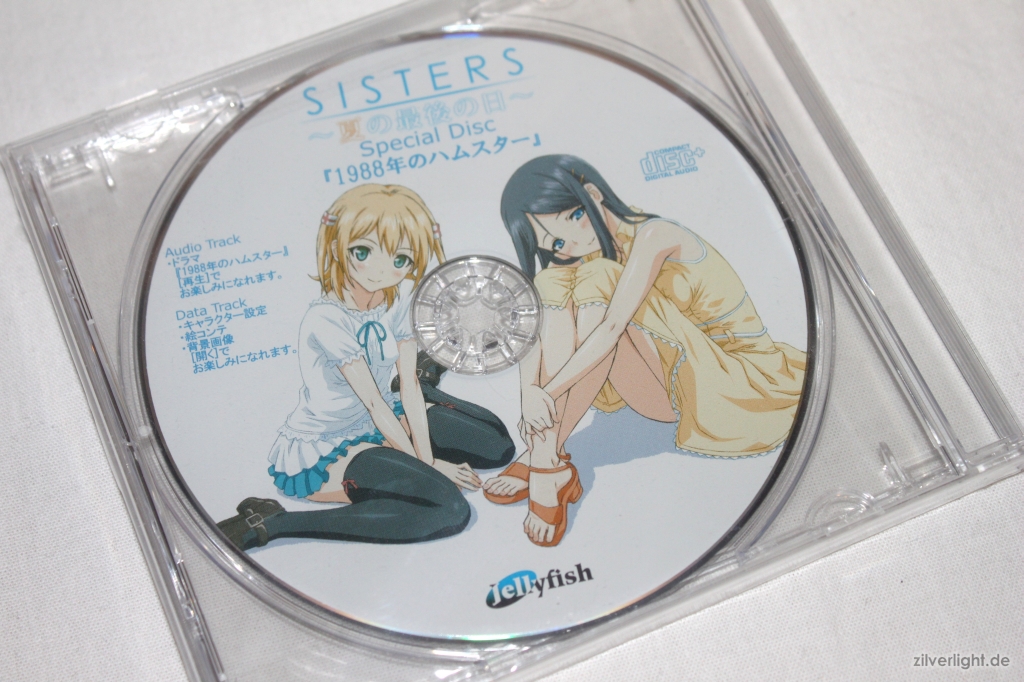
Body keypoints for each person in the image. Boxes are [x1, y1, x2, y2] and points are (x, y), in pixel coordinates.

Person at [483, 155, 807, 547]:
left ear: (593, 194)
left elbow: (612, 328)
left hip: (732, 384)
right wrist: (528, 394)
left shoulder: (656, 234)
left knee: (600, 277)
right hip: (666, 383)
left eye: (573, 217)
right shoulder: (586, 255)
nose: (571, 243)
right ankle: (546, 458)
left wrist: (547, 394)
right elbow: (537, 322)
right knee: (551, 280)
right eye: (555, 242)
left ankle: (544, 460)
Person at [218, 184, 514, 550]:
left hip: (387, 412)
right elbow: (371, 403)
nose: (382, 271)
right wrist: (432, 466)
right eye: (363, 252)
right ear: (336, 247)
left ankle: (430, 389)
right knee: (447, 508)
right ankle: (273, 522)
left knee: (496, 446)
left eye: (400, 260)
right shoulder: (326, 319)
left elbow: (406, 384)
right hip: (330, 444)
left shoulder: (399, 298)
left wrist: (427, 455)